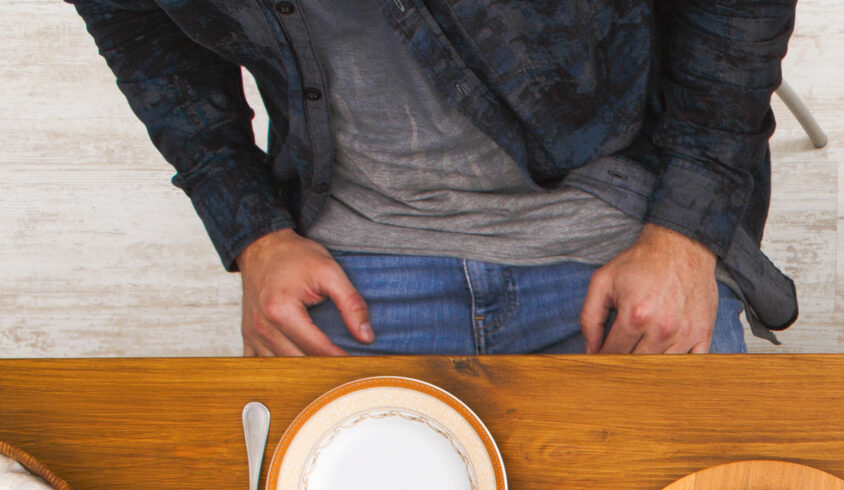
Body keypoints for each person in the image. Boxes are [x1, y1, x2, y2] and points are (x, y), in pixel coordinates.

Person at [68, 0, 799, 357]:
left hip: (613, 212)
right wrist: (256, 235)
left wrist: (683, 236)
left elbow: (735, 16)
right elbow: (155, 56)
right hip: (354, 252)